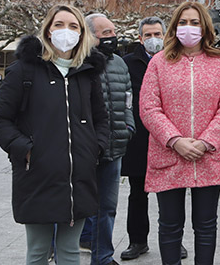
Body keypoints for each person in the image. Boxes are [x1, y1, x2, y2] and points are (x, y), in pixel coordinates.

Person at [0, 4, 110, 265]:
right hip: (37, 176)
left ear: (82, 33)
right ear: (47, 30)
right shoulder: (24, 70)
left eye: (73, 26)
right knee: (39, 250)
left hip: (79, 178)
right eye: (59, 24)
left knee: (70, 251)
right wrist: (25, 149)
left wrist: (94, 148)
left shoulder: (87, 73)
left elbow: (101, 119)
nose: (66, 31)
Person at [139, 1, 220, 265]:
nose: (188, 28)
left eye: (194, 22)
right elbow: (149, 107)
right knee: (170, 224)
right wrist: (175, 140)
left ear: (204, 28)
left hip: (208, 156)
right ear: (174, 27)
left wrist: (205, 141)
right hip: (169, 155)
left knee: (206, 225)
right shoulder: (159, 63)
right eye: (183, 22)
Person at [121, 17, 188, 261]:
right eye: (148, 35)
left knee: (171, 195)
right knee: (138, 193)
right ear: (140, 38)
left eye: (157, 34)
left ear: (165, 35)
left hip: (169, 137)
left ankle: (175, 241)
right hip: (139, 138)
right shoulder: (128, 63)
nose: (153, 39)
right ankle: (137, 241)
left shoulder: (176, 60)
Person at [79, 13, 135, 265]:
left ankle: (102, 257)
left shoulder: (120, 63)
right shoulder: (79, 62)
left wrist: (129, 126)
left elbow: (128, 98)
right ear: (90, 36)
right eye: (106, 33)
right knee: (77, 207)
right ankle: (60, 249)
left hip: (116, 148)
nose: (113, 37)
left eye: (113, 31)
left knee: (107, 208)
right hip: (86, 149)